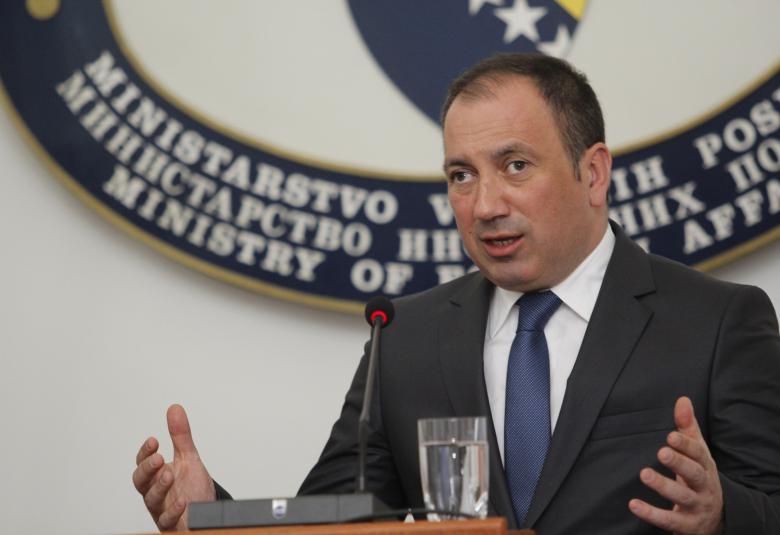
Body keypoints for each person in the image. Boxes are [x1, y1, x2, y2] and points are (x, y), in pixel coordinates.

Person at [132, 54, 780, 534]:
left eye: (515, 166)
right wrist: (209, 516)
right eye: (461, 175)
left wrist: (724, 512)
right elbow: (331, 524)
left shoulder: (717, 324)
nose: (485, 204)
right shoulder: (405, 340)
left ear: (593, 173)